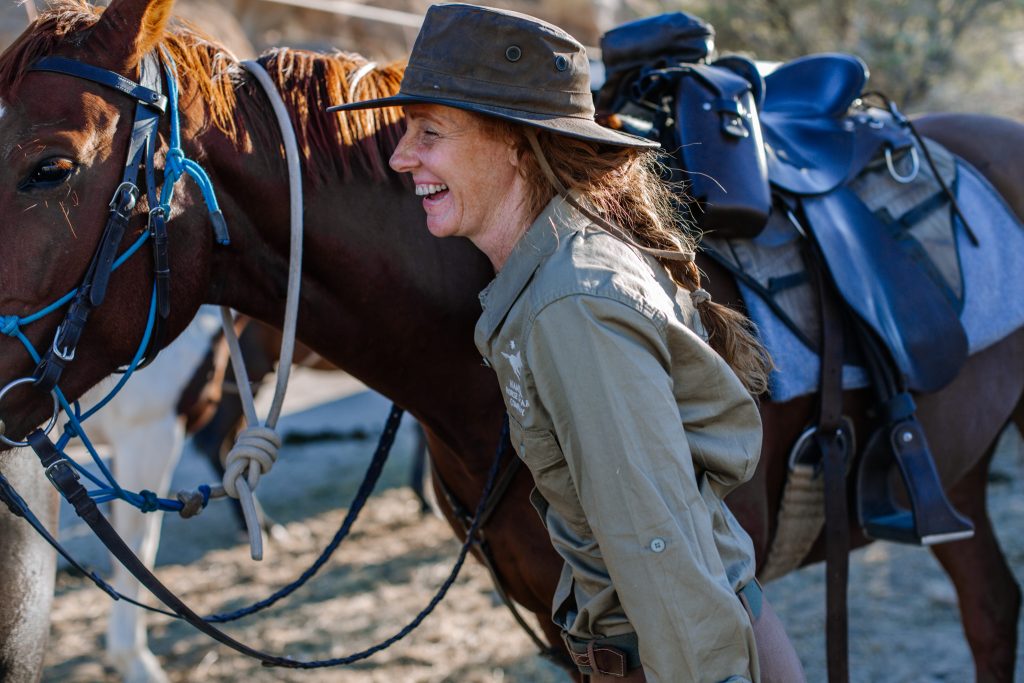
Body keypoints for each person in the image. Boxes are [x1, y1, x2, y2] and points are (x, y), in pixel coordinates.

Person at [329, 4, 805, 681]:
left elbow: (656, 543)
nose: (403, 156)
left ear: (516, 143)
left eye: (429, 131)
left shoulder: (571, 305)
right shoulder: (555, 273)